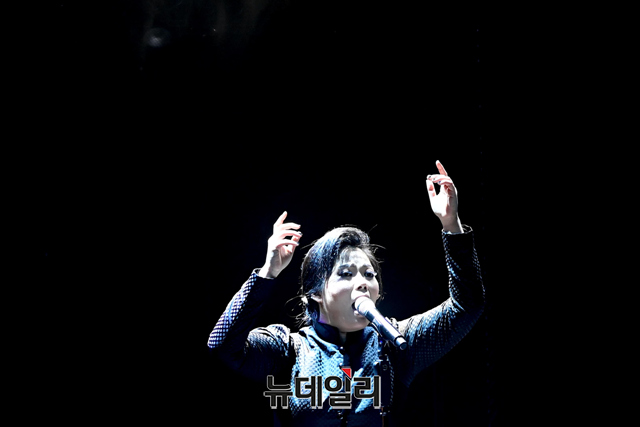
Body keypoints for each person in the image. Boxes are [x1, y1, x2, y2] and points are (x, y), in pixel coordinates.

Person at [208, 161, 485, 426]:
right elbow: (222, 344)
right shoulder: (287, 350)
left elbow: (467, 306)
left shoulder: (394, 345)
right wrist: (268, 272)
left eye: (369, 274)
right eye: (346, 273)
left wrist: (452, 225)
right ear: (316, 293)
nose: (363, 283)